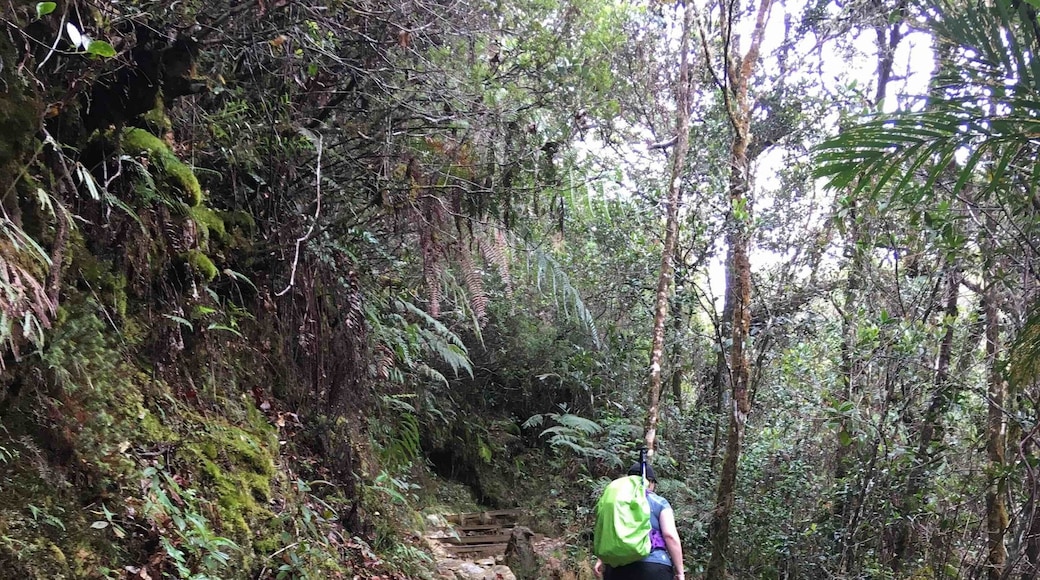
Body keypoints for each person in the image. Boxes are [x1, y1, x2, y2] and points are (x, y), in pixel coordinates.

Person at [594, 463, 685, 580]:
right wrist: (680, 572)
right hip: (654, 565)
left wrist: (601, 559)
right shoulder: (659, 502)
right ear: (650, 482)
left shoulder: (616, 502)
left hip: (617, 566)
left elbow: (608, 531)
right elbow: (669, 536)